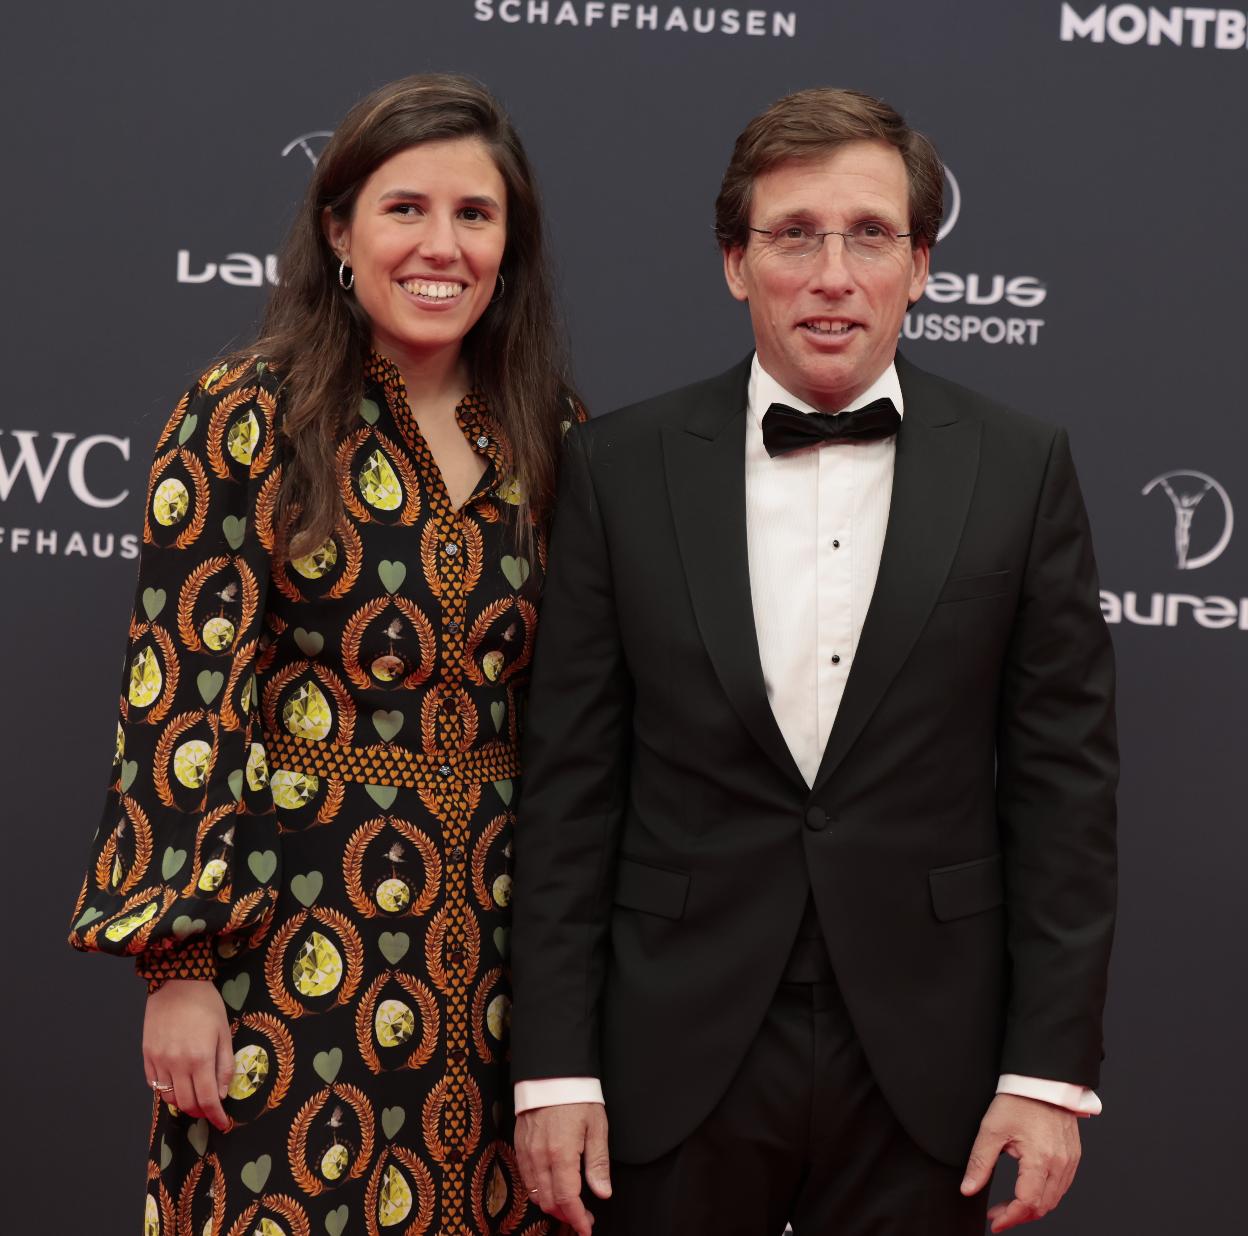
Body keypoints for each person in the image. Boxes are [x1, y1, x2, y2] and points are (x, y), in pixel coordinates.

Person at [509, 87, 1117, 1236]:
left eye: (871, 234)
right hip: (670, 1050)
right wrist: (554, 1071)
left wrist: (1046, 1075)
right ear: (738, 263)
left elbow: (1065, 796)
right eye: (793, 234)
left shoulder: (1022, 469)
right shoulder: (617, 469)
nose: (832, 273)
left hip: (930, 1061)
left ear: (922, 264)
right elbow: (570, 789)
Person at [67, 73, 580, 1236]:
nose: (441, 245)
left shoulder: (554, 433)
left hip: (502, 955)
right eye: (406, 209)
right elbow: (181, 697)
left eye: (476, 214)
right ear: (339, 230)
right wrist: (179, 966)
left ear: (512, 242)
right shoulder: (245, 413)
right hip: (289, 933)